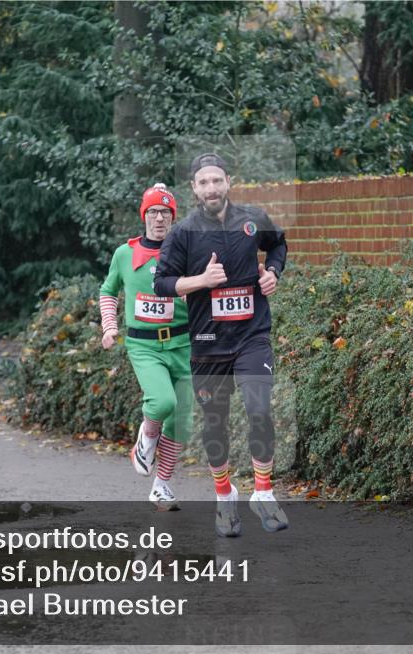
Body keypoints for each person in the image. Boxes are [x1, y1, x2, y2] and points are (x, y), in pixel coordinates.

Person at [154, 153, 289, 536]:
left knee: (259, 406)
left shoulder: (253, 219)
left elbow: (278, 247)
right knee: (216, 424)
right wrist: (201, 280)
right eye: (203, 182)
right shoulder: (183, 233)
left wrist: (273, 273)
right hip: (208, 342)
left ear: (228, 181)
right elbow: (162, 283)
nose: (211, 188)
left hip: (252, 335)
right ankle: (224, 496)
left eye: (217, 180)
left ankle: (262, 492)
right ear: (194, 189)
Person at [99, 184, 193, 511]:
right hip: (144, 346)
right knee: (162, 401)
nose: (158, 218)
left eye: (165, 213)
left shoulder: (185, 252)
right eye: (152, 212)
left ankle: (162, 487)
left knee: (182, 420)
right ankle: (147, 438)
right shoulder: (125, 253)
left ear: (172, 218)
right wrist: (110, 327)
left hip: (183, 343)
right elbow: (108, 290)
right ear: (144, 215)